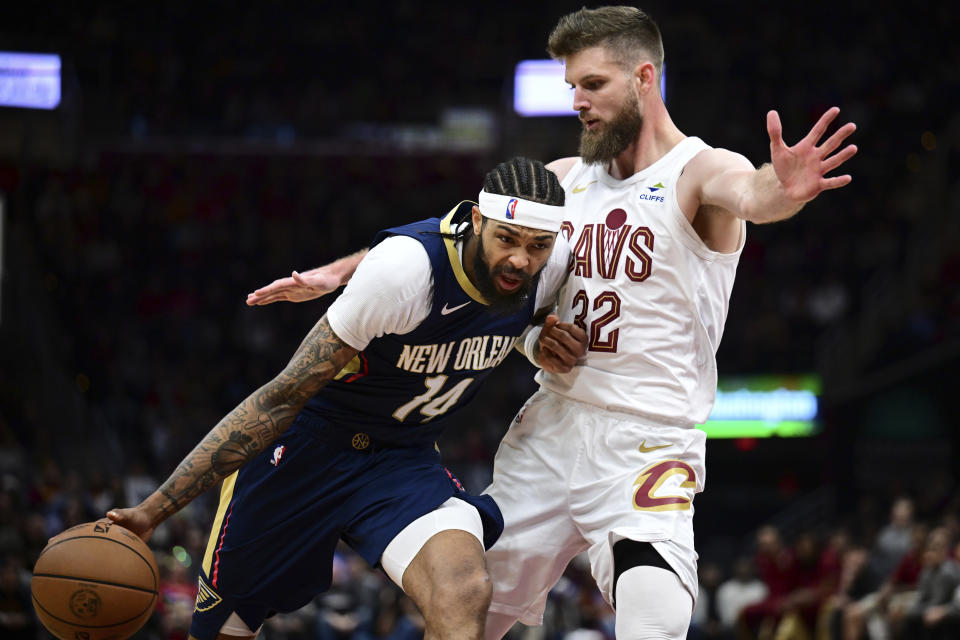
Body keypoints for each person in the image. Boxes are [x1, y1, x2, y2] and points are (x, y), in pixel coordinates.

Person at [247, 6, 858, 638]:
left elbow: (751, 193)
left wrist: (783, 193)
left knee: (657, 610)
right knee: (464, 607)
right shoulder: (563, 182)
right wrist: (341, 274)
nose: (578, 102)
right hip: (552, 425)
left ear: (644, 79)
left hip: (646, 440)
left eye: (593, 85)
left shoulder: (698, 171)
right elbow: (456, 242)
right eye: (572, 87)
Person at [106, 156, 587, 640]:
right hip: (304, 450)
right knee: (224, 633)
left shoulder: (551, 266)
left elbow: (526, 320)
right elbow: (281, 398)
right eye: (507, 239)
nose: (522, 260)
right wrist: (154, 510)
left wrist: (534, 343)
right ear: (477, 221)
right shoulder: (404, 273)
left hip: (401, 458)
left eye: (537, 245)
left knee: (463, 588)